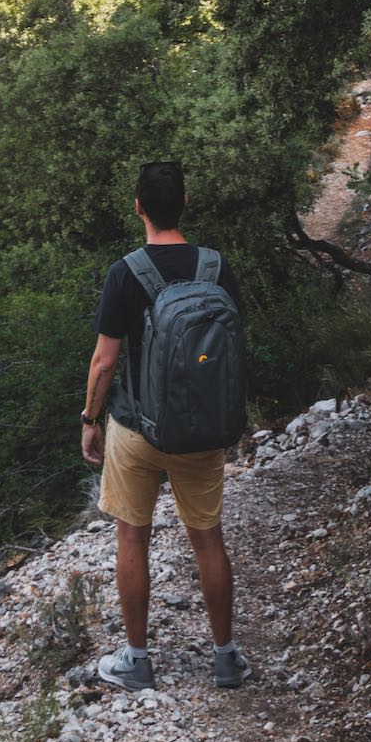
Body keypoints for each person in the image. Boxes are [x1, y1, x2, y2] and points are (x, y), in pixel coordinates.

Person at [80, 159, 252, 690]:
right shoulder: (215, 267)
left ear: (139, 208)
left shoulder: (125, 271)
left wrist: (90, 419)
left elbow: (105, 361)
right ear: (185, 204)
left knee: (133, 538)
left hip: (137, 430)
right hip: (202, 430)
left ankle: (137, 660)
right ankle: (225, 658)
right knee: (208, 539)